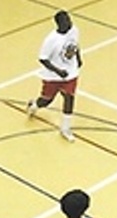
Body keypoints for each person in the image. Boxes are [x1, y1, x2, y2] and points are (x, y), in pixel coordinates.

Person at [27, 11, 82, 143]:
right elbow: (43, 59)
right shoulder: (51, 40)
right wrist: (58, 71)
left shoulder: (74, 30)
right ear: (59, 24)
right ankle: (34, 105)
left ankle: (65, 128)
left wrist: (79, 58)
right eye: (66, 21)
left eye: (69, 19)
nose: (70, 22)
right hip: (53, 76)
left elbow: (75, 45)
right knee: (46, 101)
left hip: (70, 73)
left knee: (69, 98)